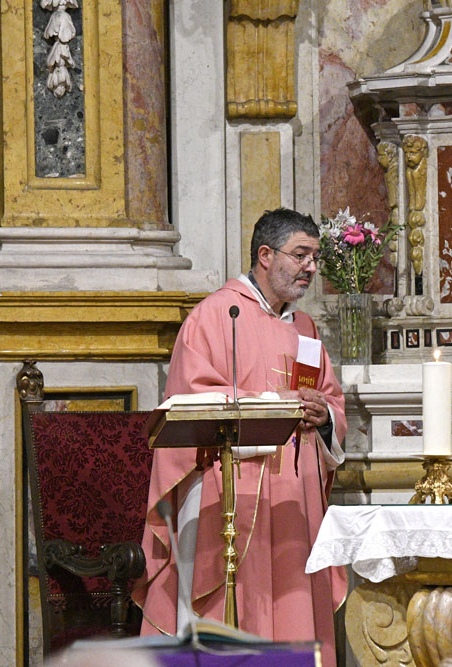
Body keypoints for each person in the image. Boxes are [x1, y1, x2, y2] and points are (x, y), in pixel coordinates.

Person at [133, 208, 347, 667]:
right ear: (265, 255)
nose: (311, 267)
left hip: (296, 499)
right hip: (232, 492)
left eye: (315, 257)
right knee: (238, 611)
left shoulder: (305, 328)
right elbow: (190, 402)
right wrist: (274, 406)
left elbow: (332, 400)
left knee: (293, 606)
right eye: (301, 255)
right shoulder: (214, 316)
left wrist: (323, 414)